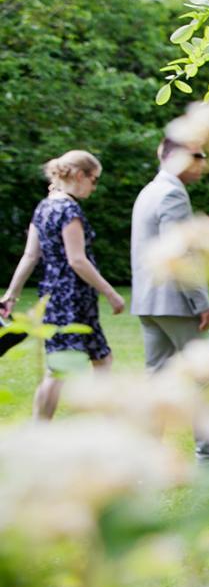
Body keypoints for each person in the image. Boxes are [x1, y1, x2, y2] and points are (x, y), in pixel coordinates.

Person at [1, 150, 124, 419]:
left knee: (102, 359)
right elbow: (77, 260)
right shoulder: (69, 209)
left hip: (54, 297)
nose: (94, 186)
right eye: (94, 180)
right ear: (80, 175)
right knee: (58, 369)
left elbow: (30, 255)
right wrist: (111, 292)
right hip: (72, 301)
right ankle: (40, 430)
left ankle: (105, 422)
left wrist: (11, 294)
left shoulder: (44, 206)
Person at [130, 136, 209, 460]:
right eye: (199, 157)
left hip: (148, 301)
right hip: (174, 301)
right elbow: (181, 253)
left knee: (156, 381)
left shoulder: (148, 191)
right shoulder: (172, 193)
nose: (202, 164)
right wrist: (200, 302)